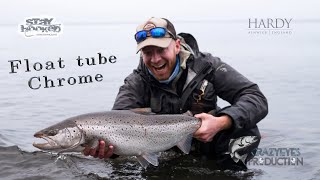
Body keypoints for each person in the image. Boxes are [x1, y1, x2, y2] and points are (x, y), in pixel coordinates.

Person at [83, 17, 268, 170]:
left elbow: (255, 98)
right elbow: (117, 121)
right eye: (148, 52)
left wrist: (221, 122)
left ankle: (229, 172)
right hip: (162, 151)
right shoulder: (135, 83)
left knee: (246, 130)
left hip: (209, 143)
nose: (155, 59)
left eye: (161, 50)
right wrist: (109, 151)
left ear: (177, 45)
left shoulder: (208, 67)